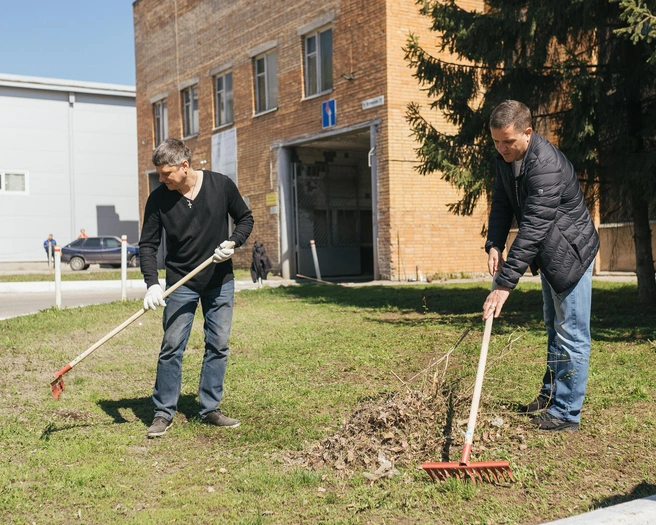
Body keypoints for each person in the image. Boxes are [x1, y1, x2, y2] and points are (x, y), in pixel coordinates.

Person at [482, 100, 599, 432]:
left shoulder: (545, 164)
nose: (502, 148)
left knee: (572, 334)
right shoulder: (507, 159)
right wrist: (494, 243)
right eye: (496, 142)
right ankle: (550, 397)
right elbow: (502, 202)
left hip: (572, 255)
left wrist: (504, 285)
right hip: (549, 255)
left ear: (528, 132)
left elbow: (533, 227)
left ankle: (565, 413)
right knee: (554, 328)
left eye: (508, 141)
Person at [139, 138, 254, 438]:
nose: (161, 180)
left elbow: (245, 219)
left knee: (218, 345)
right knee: (172, 346)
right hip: (180, 282)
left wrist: (233, 243)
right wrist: (152, 284)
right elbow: (148, 246)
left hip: (219, 282)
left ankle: (209, 408)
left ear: (185, 166)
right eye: (159, 175)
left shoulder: (221, 186)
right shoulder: (159, 198)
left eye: (166, 174)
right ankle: (164, 412)